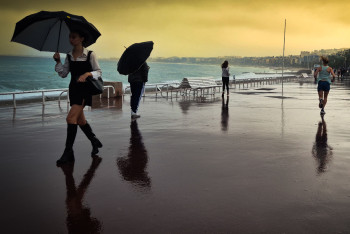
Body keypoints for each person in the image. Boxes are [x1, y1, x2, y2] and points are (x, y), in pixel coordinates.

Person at [53, 30, 103, 165]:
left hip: (84, 90)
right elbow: (63, 74)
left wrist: (87, 74)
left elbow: (98, 72)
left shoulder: (90, 55)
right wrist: (58, 62)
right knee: (80, 120)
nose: (71, 39)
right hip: (73, 89)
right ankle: (94, 141)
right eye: (69, 36)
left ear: (81, 38)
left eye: (74, 37)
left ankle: (68, 152)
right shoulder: (68, 56)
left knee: (70, 118)